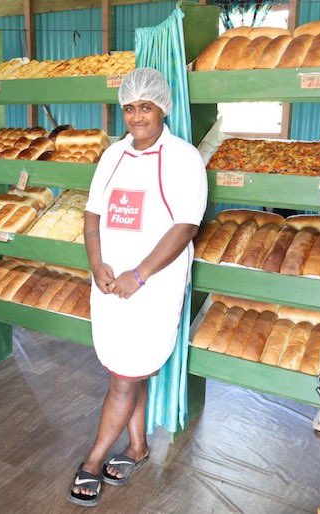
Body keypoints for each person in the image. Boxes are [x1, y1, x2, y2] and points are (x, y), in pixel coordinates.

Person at [68, 68, 207, 507]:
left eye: (145, 107)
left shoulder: (184, 158)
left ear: (162, 107)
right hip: (110, 283)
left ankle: (91, 461)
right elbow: (92, 216)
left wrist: (140, 274)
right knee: (125, 366)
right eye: (129, 108)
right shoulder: (112, 155)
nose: (137, 116)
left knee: (127, 376)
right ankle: (138, 447)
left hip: (153, 288)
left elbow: (185, 226)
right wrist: (97, 264)